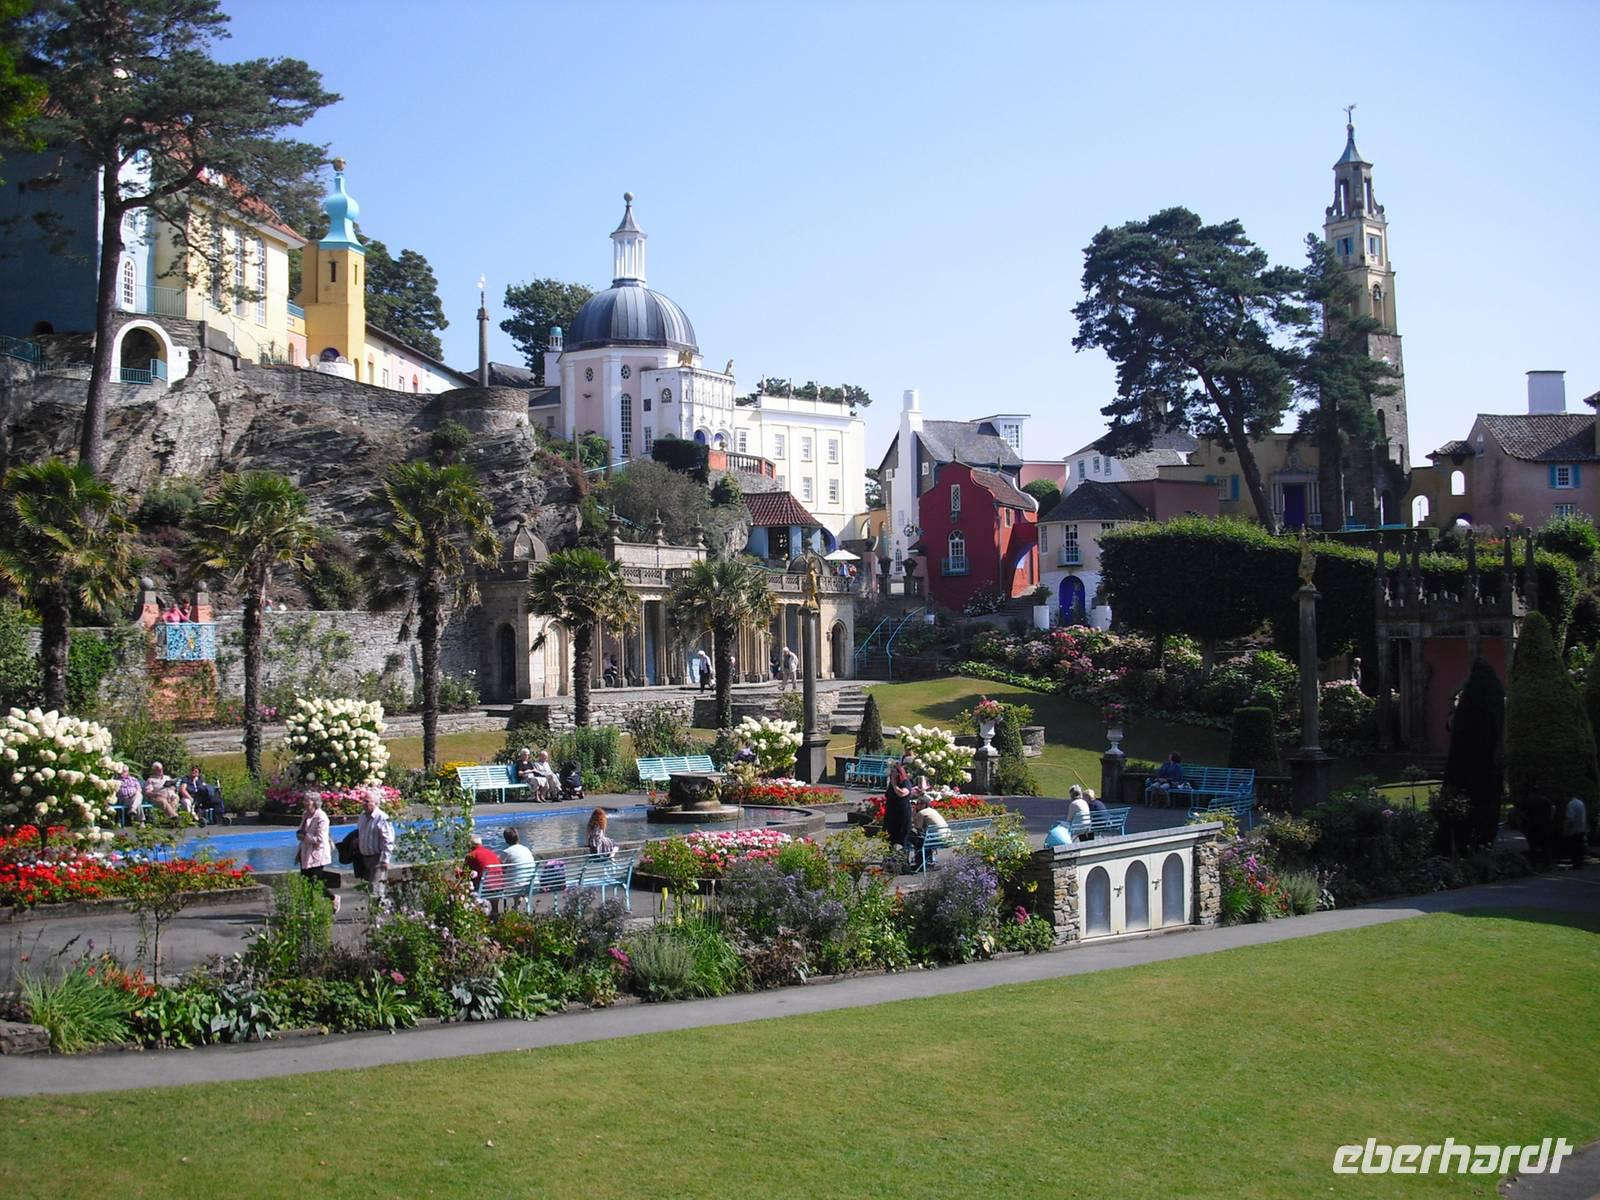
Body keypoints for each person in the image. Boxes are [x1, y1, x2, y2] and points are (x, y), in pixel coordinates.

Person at [294, 791, 340, 913]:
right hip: (305, 853)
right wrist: (299, 835)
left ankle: (333, 898)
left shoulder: (321, 817)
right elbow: (300, 830)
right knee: (305, 882)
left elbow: (320, 839)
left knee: (315, 883)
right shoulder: (305, 815)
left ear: (314, 803)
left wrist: (306, 837)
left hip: (317, 854)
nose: (304, 803)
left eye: (307, 801)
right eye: (304, 800)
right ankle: (309, 908)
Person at [356, 787, 395, 901]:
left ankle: (378, 915)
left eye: (367, 801)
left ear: (376, 803)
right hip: (364, 857)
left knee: (376, 888)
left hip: (377, 858)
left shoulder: (382, 818)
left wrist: (386, 859)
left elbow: (388, 840)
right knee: (368, 888)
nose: (364, 803)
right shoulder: (362, 816)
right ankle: (375, 912)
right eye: (363, 800)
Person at [883, 753, 918, 851]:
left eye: (894, 772)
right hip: (891, 813)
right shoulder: (891, 784)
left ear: (899, 773)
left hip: (902, 814)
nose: (892, 775)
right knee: (889, 838)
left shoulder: (905, 783)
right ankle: (890, 859)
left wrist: (894, 785)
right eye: (891, 772)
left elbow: (902, 793)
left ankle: (903, 860)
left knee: (902, 838)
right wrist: (892, 784)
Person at [910, 799, 950, 869]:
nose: (915, 806)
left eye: (917, 804)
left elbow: (918, 828)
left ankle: (921, 864)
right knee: (921, 839)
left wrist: (914, 814)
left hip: (936, 839)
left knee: (916, 839)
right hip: (947, 837)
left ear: (923, 805)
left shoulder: (921, 813)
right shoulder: (933, 810)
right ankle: (928, 861)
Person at [1565, 794, 1589, 871]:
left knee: (1573, 847)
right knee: (1579, 847)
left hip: (1574, 829)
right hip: (1581, 827)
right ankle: (1580, 863)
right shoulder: (1581, 803)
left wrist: (1566, 829)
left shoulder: (1570, 804)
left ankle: (1575, 864)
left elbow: (1570, 818)